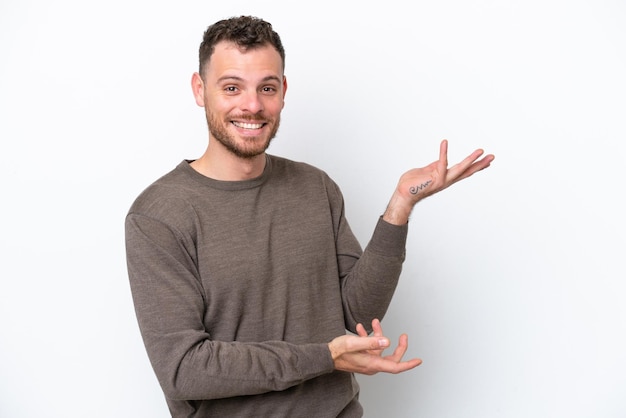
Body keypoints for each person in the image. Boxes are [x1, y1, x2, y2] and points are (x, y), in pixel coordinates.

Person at [125, 15, 494, 418]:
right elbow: (184, 370)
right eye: (232, 87)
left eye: (266, 88)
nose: (252, 105)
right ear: (200, 90)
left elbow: (354, 318)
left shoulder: (315, 187)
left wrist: (400, 207)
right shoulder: (158, 216)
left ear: (283, 91)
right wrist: (324, 357)